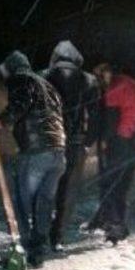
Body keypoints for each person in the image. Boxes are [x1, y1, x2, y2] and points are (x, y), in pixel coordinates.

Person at [0, 50, 66, 268]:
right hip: (58, 152)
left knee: (21, 203)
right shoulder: (48, 86)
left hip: (36, 152)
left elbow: (21, 102)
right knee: (43, 204)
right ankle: (37, 252)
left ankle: (20, 252)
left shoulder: (21, 79)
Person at [40, 40, 99, 249]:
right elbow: (95, 116)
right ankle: (57, 236)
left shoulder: (42, 78)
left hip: (47, 143)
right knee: (67, 191)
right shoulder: (88, 81)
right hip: (74, 144)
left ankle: (39, 233)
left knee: (45, 188)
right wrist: (88, 141)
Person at [91, 63, 135, 244]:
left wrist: (118, 137)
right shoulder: (121, 85)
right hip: (122, 145)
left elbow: (131, 115)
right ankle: (105, 219)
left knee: (114, 185)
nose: (99, 77)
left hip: (122, 145)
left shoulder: (120, 87)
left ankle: (116, 226)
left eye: (101, 73)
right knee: (111, 183)